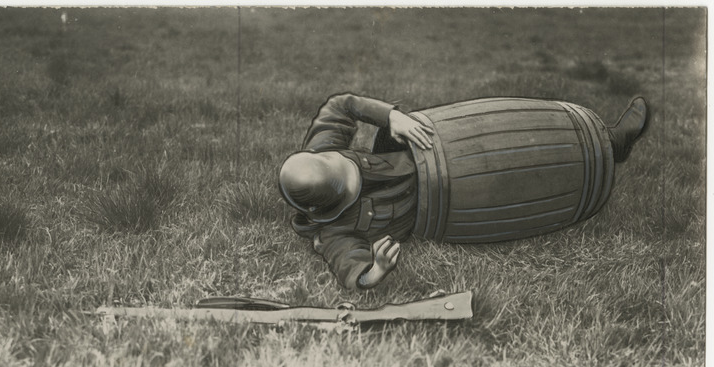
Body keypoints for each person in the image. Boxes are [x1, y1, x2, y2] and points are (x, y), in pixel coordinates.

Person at [278, 93, 649, 290]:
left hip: (426, 150)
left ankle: (613, 140)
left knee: (508, 134)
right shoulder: (333, 232)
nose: (350, 162)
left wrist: (392, 117)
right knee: (511, 173)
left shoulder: (322, 150)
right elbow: (348, 269)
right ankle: (605, 155)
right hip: (437, 200)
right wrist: (375, 271)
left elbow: (341, 105)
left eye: (343, 161)